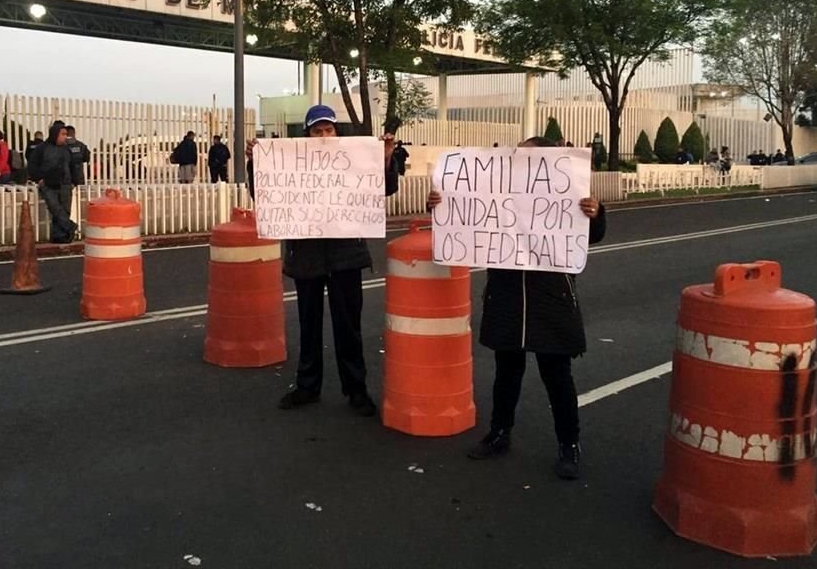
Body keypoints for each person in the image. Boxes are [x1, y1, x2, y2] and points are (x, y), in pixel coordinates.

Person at [427, 136, 607, 480]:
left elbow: (593, 234)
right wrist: (441, 204)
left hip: (551, 298)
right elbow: (467, 218)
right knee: (506, 372)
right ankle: (499, 433)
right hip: (507, 294)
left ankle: (569, 444)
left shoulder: (571, 192)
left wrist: (595, 214)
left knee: (557, 376)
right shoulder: (496, 187)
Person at [245, 104, 399, 416]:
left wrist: (384, 158)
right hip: (307, 256)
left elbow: (387, 188)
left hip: (346, 255)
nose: (324, 136)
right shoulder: (294, 163)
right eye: (318, 131)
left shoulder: (352, 160)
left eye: (329, 130)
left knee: (349, 326)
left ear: (336, 132)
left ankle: (356, 389)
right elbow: (262, 192)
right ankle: (307, 386)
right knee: (308, 323)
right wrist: (255, 163)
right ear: (308, 134)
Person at [28, 123, 77, 243]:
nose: (65, 137)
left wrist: (74, 182)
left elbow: (73, 165)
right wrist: (38, 179)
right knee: (55, 208)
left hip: (65, 183)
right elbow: (32, 165)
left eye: (66, 134)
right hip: (48, 184)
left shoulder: (66, 149)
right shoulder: (42, 148)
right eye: (63, 134)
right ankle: (69, 226)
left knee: (64, 210)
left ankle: (60, 236)